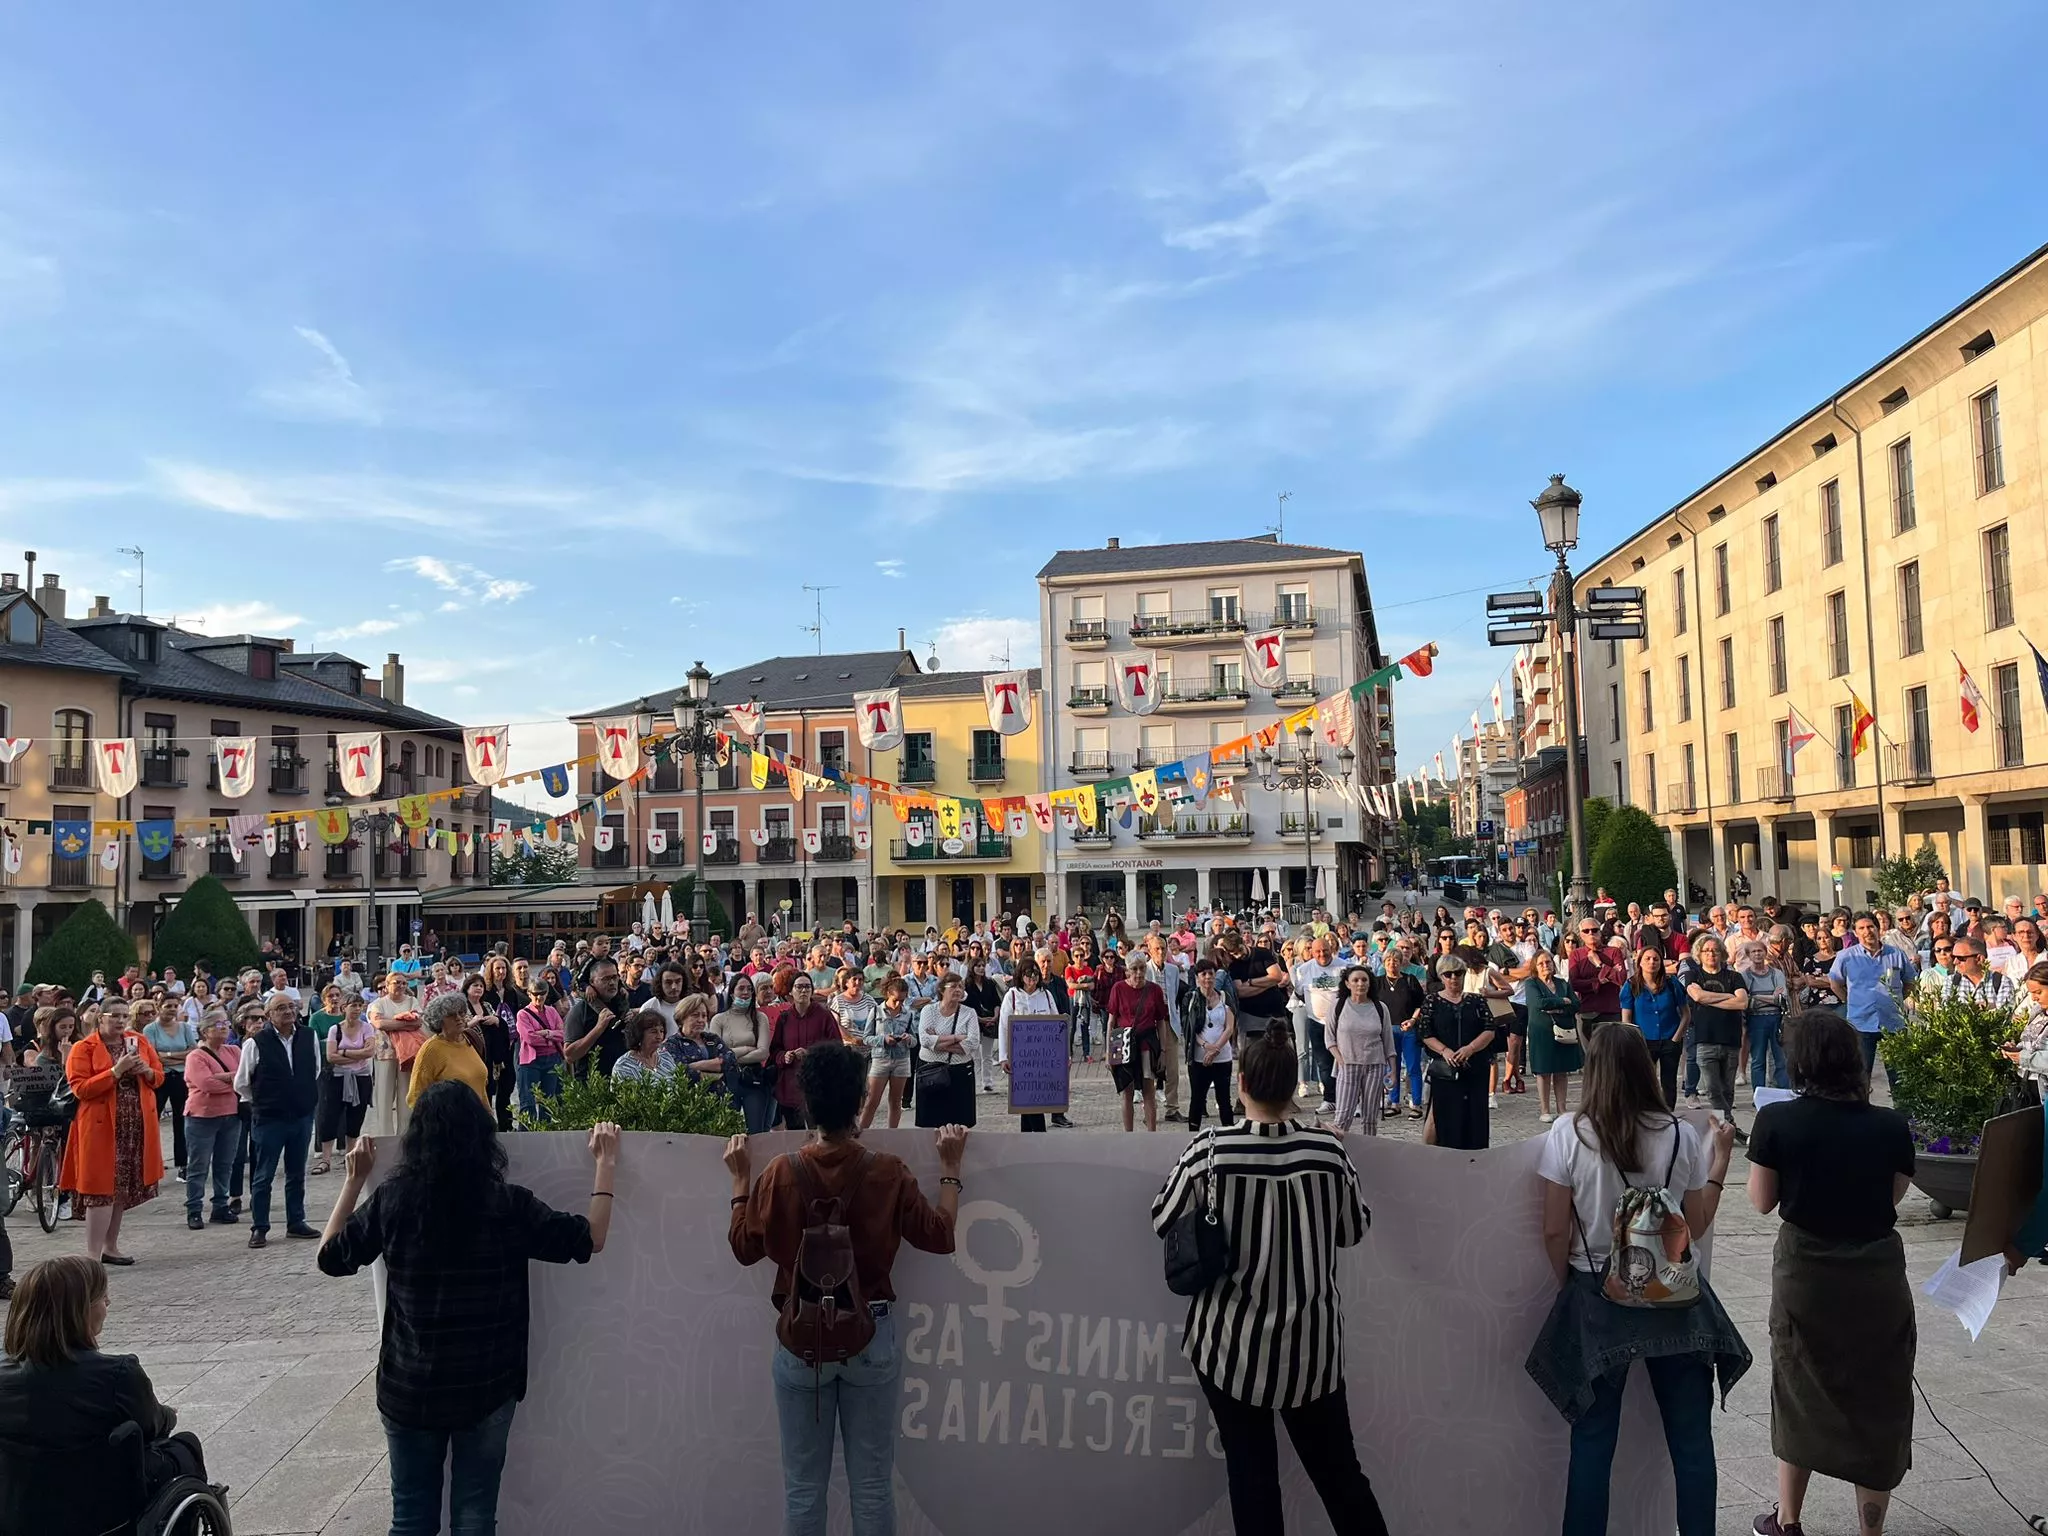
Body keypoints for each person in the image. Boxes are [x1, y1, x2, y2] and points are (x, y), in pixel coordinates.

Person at [320, 1086, 619, 1536]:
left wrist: (353, 1180)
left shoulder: (394, 1200)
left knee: (410, 1517)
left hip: (408, 1386)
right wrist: (606, 1164)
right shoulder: (507, 1204)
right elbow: (589, 1238)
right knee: (476, 1515)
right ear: (483, 1137)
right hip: (486, 1385)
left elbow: (331, 1258)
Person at [1150, 1026, 1388, 1536]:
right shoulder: (1327, 1155)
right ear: (1292, 1087)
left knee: (1252, 1479)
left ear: (1241, 1083)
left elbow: (1163, 1219)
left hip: (1230, 1347)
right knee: (1342, 1479)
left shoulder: (1208, 1153)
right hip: (1312, 1349)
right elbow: (1353, 1230)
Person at [725, 1045, 964, 1536]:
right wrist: (951, 1171)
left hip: (801, 1339)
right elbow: (940, 1237)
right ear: (860, 1102)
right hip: (871, 1332)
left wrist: (739, 1183)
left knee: (802, 1490)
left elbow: (745, 1249)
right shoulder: (888, 1170)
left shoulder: (778, 1174)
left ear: (806, 1104)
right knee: (873, 1486)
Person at [1529, 1024, 1748, 1536]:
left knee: (1592, 1441)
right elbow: (1693, 1227)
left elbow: (1554, 1229)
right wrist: (1720, 1162)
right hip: (1674, 1294)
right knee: (1692, 1443)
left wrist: (1573, 1284)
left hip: (1597, 1291)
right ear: (1644, 1070)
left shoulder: (1569, 1133)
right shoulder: (1679, 1134)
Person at [1749, 1013, 1918, 1536]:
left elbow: (1761, 1202)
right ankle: (1871, 1530)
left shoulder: (1777, 1120)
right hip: (1876, 1271)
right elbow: (1893, 1196)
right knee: (1879, 1391)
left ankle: (1789, 1520)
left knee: (1799, 1382)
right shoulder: (1891, 1124)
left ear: (1802, 1061)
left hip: (1808, 1270)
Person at [0, 1256, 208, 1508]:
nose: (108, 1302)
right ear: (81, 1310)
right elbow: (151, 1425)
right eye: (101, 1297)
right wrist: (168, 1415)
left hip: (17, 1502)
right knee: (184, 1445)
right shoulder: (117, 1374)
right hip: (97, 1504)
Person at [59, 997, 164, 1264]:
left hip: (133, 1125)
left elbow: (158, 1077)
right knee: (100, 1190)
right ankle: (92, 1254)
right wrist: (116, 1071)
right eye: (114, 1015)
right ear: (100, 1018)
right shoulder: (84, 1047)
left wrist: (147, 1071)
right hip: (100, 1128)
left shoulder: (139, 1041)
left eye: (123, 1016)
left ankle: (111, 1246)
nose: (120, 1021)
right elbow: (81, 1089)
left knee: (121, 1189)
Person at [234, 992, 322, 1248]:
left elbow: (314, 1069)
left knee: (296, 1173)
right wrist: (264, 1099)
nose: (288, 1012)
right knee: (263, 1175)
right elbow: (242, 1083)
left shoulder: (309, 1036)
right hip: (269, 1118)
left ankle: (296, 1221)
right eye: (281, 1008)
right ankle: (259, 1227)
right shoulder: (256, 1042)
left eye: (291, 1007)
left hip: (301, 1116)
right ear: (269, 1014)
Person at [1824, 913, 1916, 1081]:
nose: (1867, 931)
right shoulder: (1846, 956)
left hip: (1893, 1023)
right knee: (1860, 1076)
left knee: (1899, 1077)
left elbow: (1910, 981)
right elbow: (1835, 983)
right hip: (1860, 1024)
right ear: (1856, 932)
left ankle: (1900, 1108)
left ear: (1878, 928)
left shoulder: (1896, 954)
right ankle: (1860, 1107)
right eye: (1862, 928)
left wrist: (1898, 1002)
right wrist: (1849, 1001)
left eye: (1870, 927)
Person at [1419, 955, 1498, 1150]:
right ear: (1441, 977)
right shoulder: (1432, 1001)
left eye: (1458, 973)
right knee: (1445, 1116)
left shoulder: (1477, 1001)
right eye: (1448, 974)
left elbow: (1489, 1029)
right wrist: (1445, 1051)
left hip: (1475, 1066)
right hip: (1446, 1069)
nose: (1454, 978)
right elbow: (1425, 1033)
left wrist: (1470, 1049)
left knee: (1475, 1116)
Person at [1683, 934, 1750, 1142]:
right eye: (1706, 951)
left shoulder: (1734, 977)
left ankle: (1724, 1129)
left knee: (1727, 1089)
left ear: (1722, 953)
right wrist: (1728, 997)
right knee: (1712, 1089)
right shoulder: (1693, 975)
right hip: (1704, 1039)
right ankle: (1729, 1125)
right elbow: (1698, 996)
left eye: (1715, 950)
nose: (1711, 954)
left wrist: (1709, 999)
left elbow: (1742, 1003)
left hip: (1730, 1039)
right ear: (1699, 954)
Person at [182, 1012, 243, 1230]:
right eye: (219, 1024)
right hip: (202, 1116)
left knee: (225, 1164)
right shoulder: (196, 1056)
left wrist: (225, 1078)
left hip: (231, 1114)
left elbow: (246, 1078)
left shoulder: (234, 1050)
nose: (224, 1027)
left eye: (226, 1023)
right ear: (205, 1030)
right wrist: (232, 1079)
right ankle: (194, 1209)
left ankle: (220, 1205)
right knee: (198, 1165)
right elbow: (206, 1084)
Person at [996, 958, 1066, 1133]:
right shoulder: (1012, 995)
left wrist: (1063, 1054)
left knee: (1036, 1100)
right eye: (1028, 973)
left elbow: (1057, 1024)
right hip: (1021, 1058)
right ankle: (1034, 1138)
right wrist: (1003, 1057)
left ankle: (1029, 1139)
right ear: (1021, 974)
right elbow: (1004, 1027)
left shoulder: (1046, 995)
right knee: (1025, 1100)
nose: (1033, 977)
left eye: (1035, 973)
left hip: (1043, 1057)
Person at [767, 974, 842, 1130]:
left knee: (820, 1132)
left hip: (818, 1085)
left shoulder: (824, 1016)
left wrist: (811, 1053)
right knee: (795, 1135)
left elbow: (837, 1047)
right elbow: (775, 1051)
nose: (803, 991)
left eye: (807, 986)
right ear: (791, 992)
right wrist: (784, 1056)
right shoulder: (784, 1018)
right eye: (799, 987)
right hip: (790, 1086)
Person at [1329, 966, 1396, 1136]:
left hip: (1375, 1065)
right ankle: (1337, 1152)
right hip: (1348, 1064)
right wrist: (1342, 1061)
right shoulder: (1338, 1006)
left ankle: (1369, 1152)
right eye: (1356, 980)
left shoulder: (1380, 1008)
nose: (1360, 984)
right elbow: (1329, 1040)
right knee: (1343, 1116)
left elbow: (1388, 1041)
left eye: (1364, 980)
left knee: (1370, 1117)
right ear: (1347, 983)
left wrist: (1393, 1070)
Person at [1105, 955, 1168, 1133]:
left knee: (1149, 1090)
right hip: (1123, 1043)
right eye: (1134, 969)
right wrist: (1109, 1052)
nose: (1138, 973)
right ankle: (1128, 1135)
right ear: (1127, 970)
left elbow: (1161, 1021)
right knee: (1127, 1092)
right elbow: (1111, 1022)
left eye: (1141, 968)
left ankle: (1151, 1134)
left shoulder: (1154, 990)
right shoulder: (1118, 988)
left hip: (1147, 1043)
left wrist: (1163, 1050)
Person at [139, 996, 197, 1179]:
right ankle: (149, 1163)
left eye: (175, 1006)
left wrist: (169, 1054)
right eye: (168, 1006)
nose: (172, 1009)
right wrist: (178, 1056)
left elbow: (193, 1051)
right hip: (160, 1077)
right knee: (151, 1120)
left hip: (181, 1077)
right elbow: (154, 1056)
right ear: (159, 1007)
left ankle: (183, 1164)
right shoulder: (150, 1029)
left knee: (182, 1121)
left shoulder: (185, 1027)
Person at [1621, 946, 1687, 1108]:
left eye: (1656, 959)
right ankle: (1645, 1113)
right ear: (1640, 963)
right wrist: (1634, 1041)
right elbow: (1626, 1019)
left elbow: (1686, 1014)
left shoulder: (1672, 984)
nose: (1652, 962)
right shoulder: (1631, 986)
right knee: (1643, 1081)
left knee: (1669, 1082)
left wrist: (1676, 1038)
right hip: (1644, 1041)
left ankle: (1668, 1114)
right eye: (1648, 959)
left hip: (1670, 1038)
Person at [711, 973, 777, 1135]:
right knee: (727, 1131)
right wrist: (747, 1049)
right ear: (732, 992)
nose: (746, 992)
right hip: (728, 1079)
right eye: (741, 988)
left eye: (749, 989)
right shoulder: (718, 1020)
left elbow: (762, 1052)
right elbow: (717, 1055)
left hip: (753, 1078)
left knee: (756, 1133)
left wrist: (731, 1055)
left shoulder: (760, 1018)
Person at [365, 970, 424, 1141]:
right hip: (385, 1053)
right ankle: (385, 1138)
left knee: (406, 1095)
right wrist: (405, 1023)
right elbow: (379, 1023)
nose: (401, 986)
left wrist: (392, 1024)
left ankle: (405, 1136)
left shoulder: (412, 1001)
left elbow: (417, 1022)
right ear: (387, 985)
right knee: (384, 1096)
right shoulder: (378, 1004)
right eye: (397, 982)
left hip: (408, 1053)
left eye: (404, 983)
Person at [914, 973, 977, 1128]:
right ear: (942, 990)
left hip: (960, 1072)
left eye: (961, 986)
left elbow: (972, 1043)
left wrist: (939, 1040)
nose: (958, 990)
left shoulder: (969, 1013)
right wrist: (957, 1037)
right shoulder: (929, 1011)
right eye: (953, 986)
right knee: (931, 1123)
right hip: (931, 1071)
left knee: (959, 1123)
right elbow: (925, 1040)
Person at [408, 991, 490, 1110]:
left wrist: (489, 1116)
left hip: (478, 1119)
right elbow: (415, 1096)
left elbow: (481, 1089)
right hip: (449, 1122)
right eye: (451, 1015)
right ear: (439, 1020)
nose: (458, 1018)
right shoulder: (431, 1049)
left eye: (461, 1013)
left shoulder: (470, 1039)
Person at [318, 994, 377, 1159]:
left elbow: (370, 1052)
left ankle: (350, 1155)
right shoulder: (335, 1030)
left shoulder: (367, 1028)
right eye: (353, 1005)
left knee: (356, 1117)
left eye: (360, 1005)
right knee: (330, 1116)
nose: (357, 1009)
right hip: (338, 1077)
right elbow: (331, 1056)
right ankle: (326, 1159)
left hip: (361, 1077)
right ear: (344, 1008)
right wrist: (358, 1054)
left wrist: (343, 1052)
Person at [859, 975, 917, 1130]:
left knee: (896, 1101)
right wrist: (883, 1039)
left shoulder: (908, 1014)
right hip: (880, 1059)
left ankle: (892, 1135)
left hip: (901, 1059)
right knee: (872, 1101)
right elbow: (866, 1038)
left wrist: (908, 1038)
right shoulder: (876, 1011)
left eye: (902, 1000)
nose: (899, 1003)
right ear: (888, 994)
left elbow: (915, 1039)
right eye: (896, 1000)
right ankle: (860, 1134)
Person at [1185, 959, 1237, 1133]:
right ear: (1197, 977)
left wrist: (1216, 1049)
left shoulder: (1224, 997)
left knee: (1224, 1099)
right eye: (1203, 974)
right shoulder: (1191, 998)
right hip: (1199, 1057)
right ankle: (1192, 1136)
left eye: (1211, 973)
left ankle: (1229, 1135)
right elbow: (1189, 1028)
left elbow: (1230, 1027)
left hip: (1222, 1056)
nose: (1207, 977)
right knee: (1197, 1099)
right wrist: (1206, 1045)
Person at [611, 1009, 677, 1081]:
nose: (659, 1036)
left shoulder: (666, 1056)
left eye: (661, 1031)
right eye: (653, 1032)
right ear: (639, 1034)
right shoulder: (624, 1065)